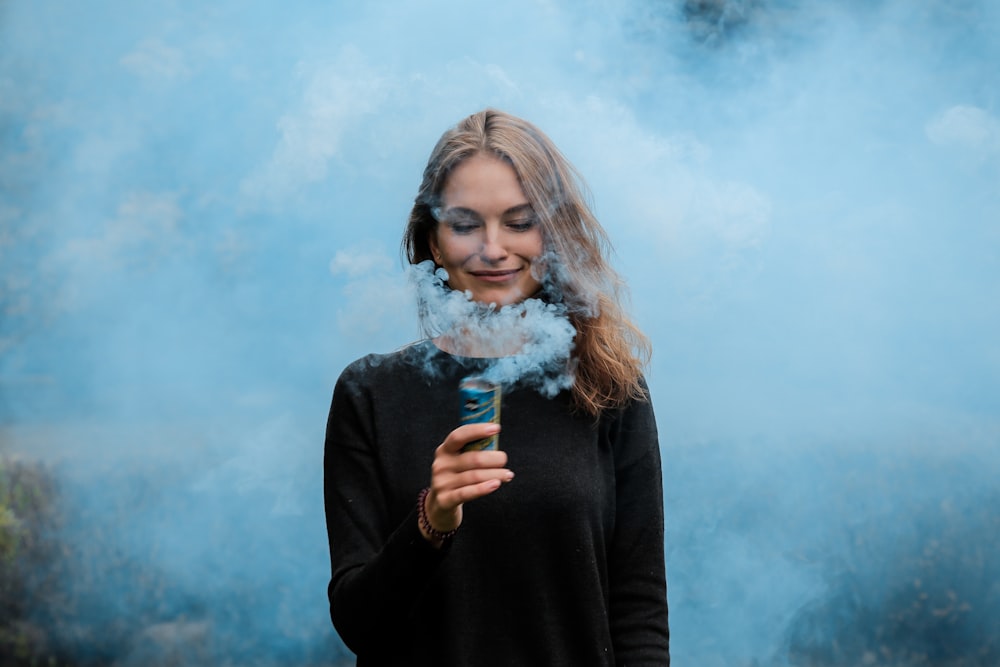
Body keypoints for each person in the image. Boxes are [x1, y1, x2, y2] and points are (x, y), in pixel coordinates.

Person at [324, 108, 669, 666]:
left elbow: (639, 609)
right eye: (464, 224)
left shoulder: (608, 388)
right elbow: (360, 625)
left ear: (551, 235)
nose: (492, 247)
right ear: (433, 242)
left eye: (518, 221)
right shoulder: (370, 394)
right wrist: (430, 522)